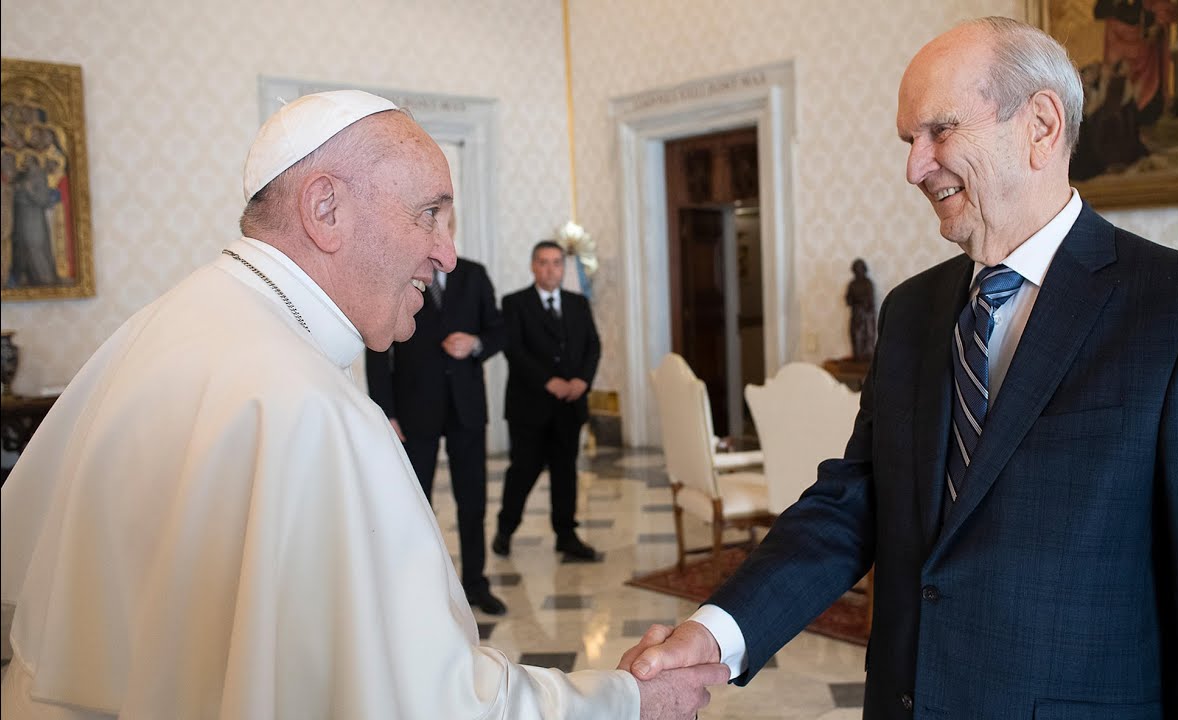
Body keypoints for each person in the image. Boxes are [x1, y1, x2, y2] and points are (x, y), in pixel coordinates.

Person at [624, 16, 1178, 719]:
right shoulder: (911, 312)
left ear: (1041, 125)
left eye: (939, 130)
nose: (915, 165)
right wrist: (715, 634)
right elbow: (854, 505)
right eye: (909, 140)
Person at [0, 90, 727, 719]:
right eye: (430, 214)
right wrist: (631, 701)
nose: (447, 253)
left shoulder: (169, 321)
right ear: (325, 207)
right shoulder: (308, 407)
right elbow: (437, 701)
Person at [365, 211, 508, 616]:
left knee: (472, 500)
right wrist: (385, 410)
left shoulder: (475, 276)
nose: (439, 232)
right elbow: (378, 347)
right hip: (414, 409)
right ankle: (419, 588)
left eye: (446, 225)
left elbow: (499, 331)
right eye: (431, 223)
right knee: (416, 502)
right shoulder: (398, 273)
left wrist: (476, 343)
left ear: (454, 230)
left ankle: (476, 584)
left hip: (466, 407)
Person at [493, 240, 602, 562]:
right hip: (529, 407)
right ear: (533, 266)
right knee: (523, 471)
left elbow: (593, 346)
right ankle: (506, 528)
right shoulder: (514, 303)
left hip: (570, 405)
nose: (550, 269)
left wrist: (582, 380)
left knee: (565, 472)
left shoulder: (578, 303)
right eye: (543, 262)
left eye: (556, 263)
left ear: (563, 268)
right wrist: (548, 381)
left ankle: (566, 536)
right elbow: (513, 349)